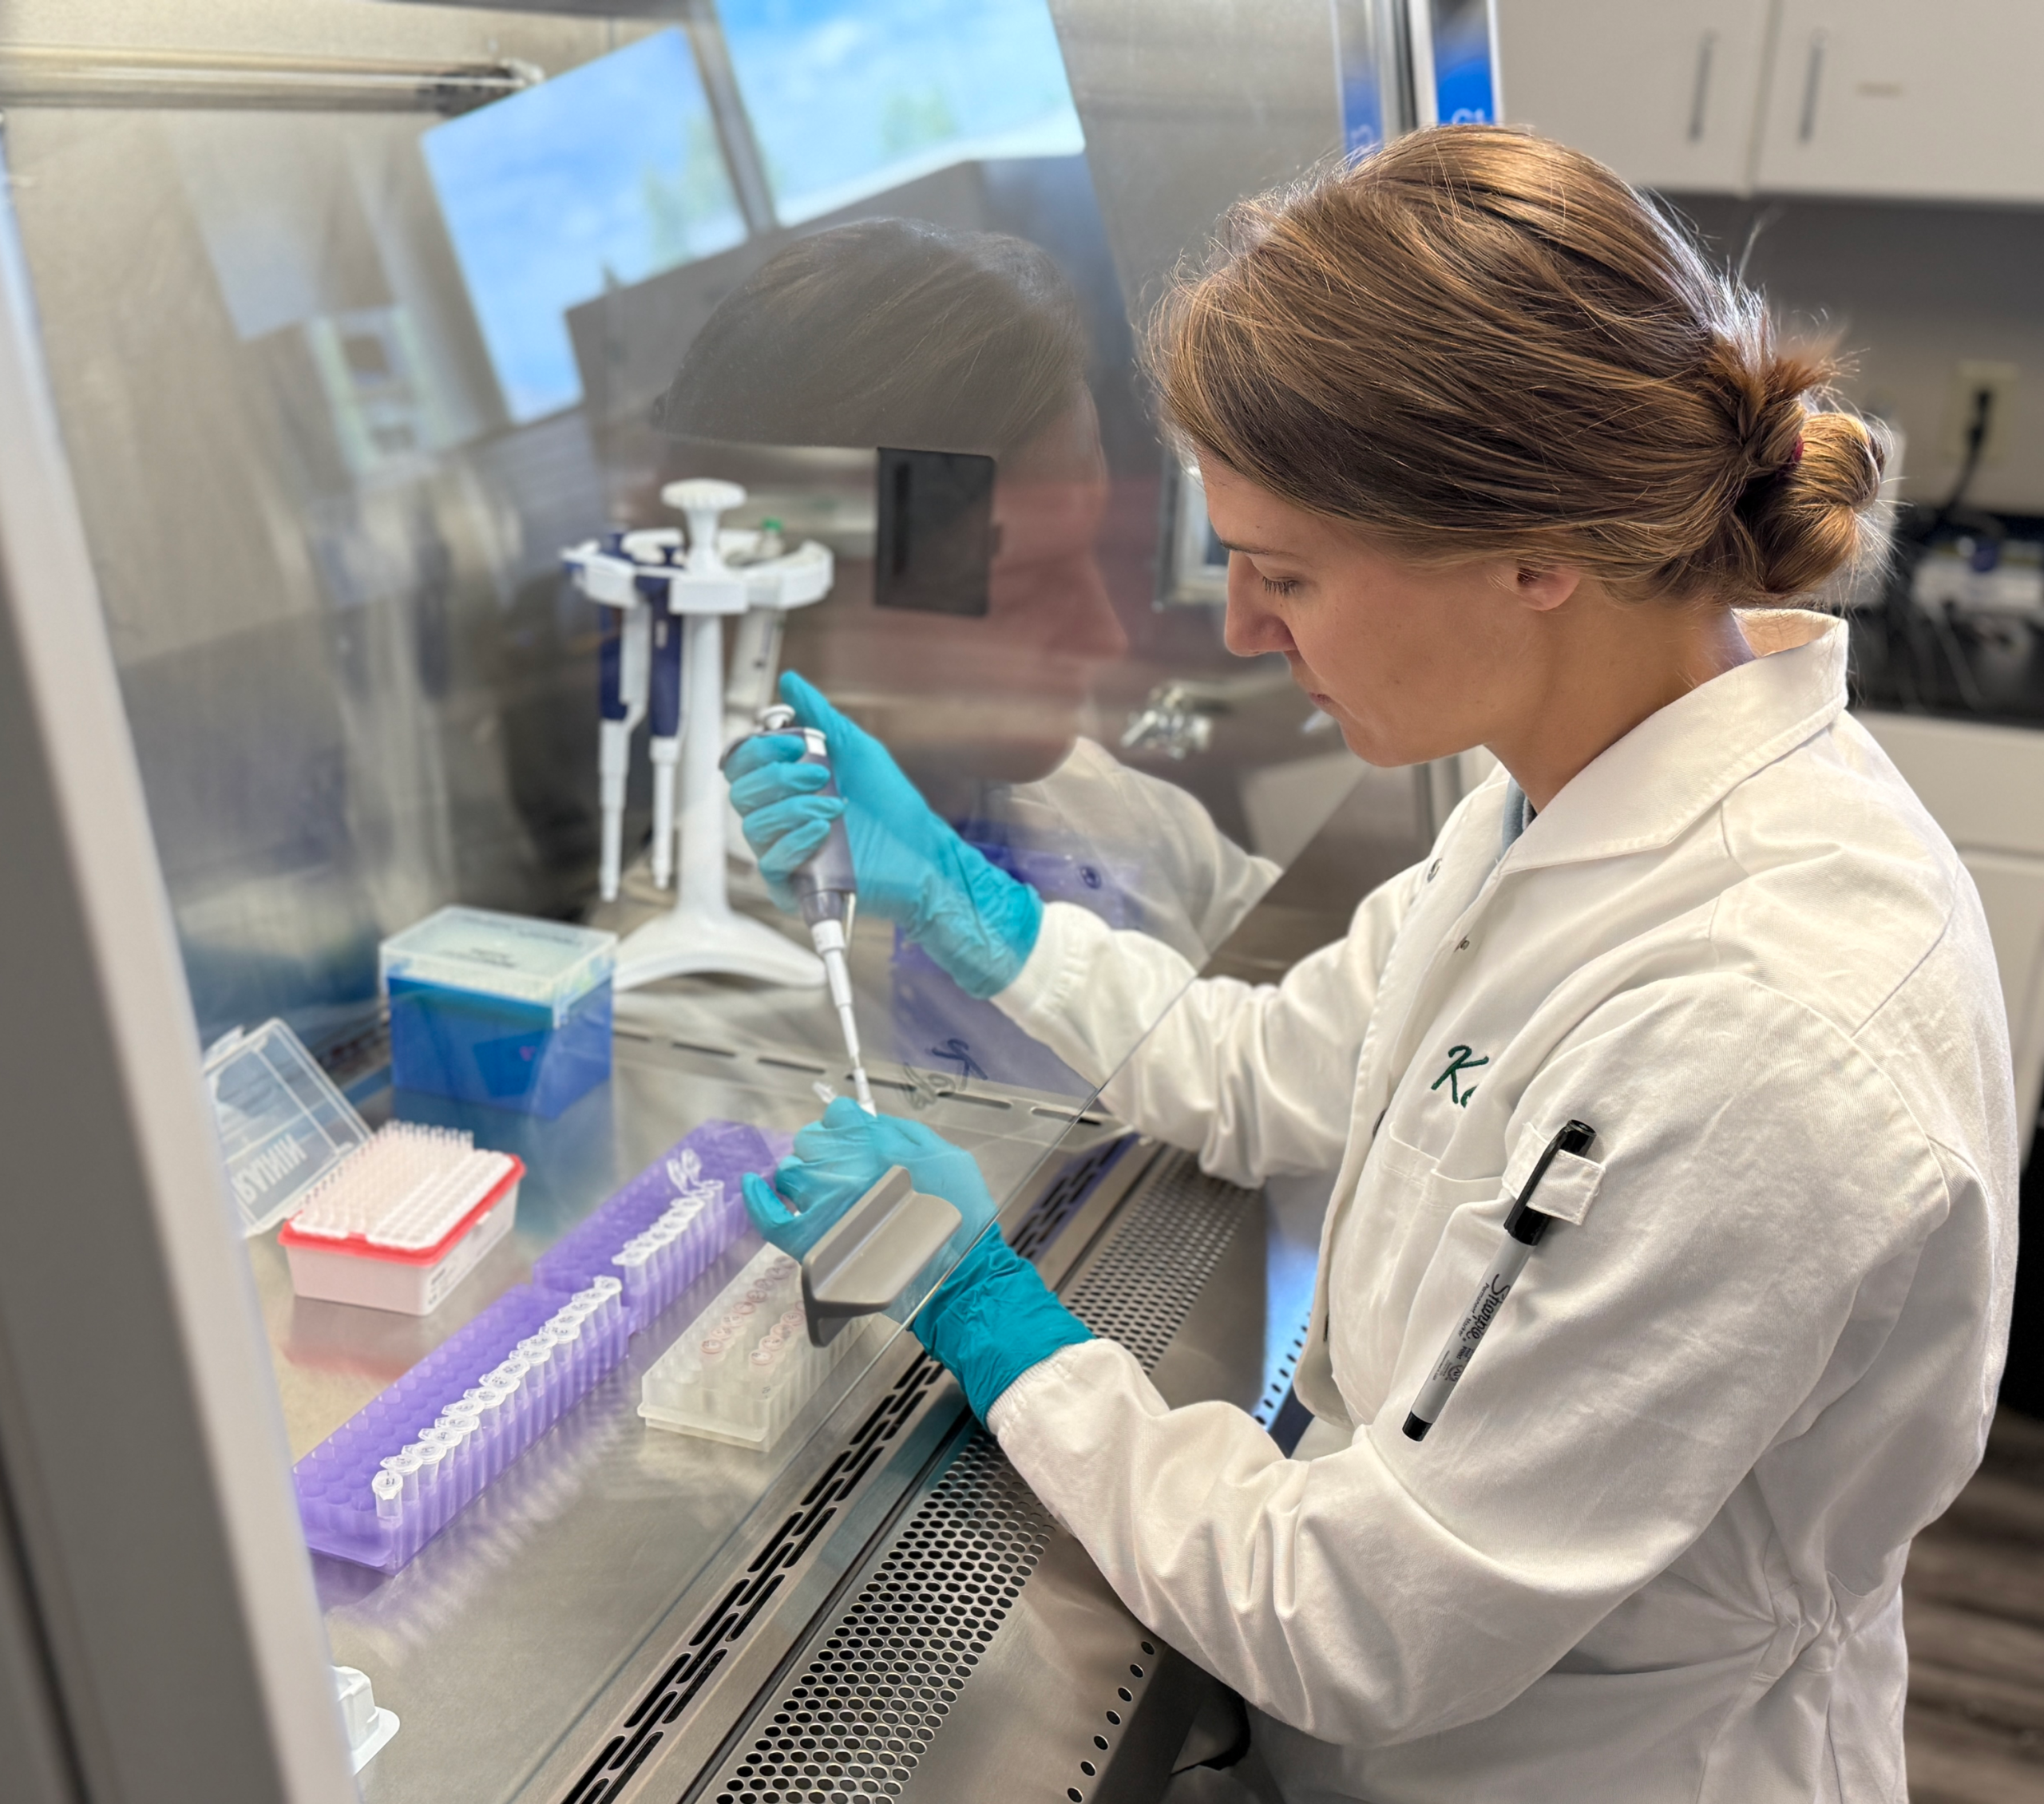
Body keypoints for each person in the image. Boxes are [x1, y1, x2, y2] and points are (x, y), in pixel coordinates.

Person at [728, 128, 2019, 1802]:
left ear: (1533, 552)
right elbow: (1274, 1069)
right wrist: (975, 905)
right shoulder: (1554, 798)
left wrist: (993, 1318)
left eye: (1284, 575)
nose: (1241, 634)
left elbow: (1358, 1614)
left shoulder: (1754, 1028)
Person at [655, 217, 1277, 965]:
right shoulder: (711, 991)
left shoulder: (1118, 817)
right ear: (792, 611)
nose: (1104, 636)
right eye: (1025, 591)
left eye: (1088, 553)